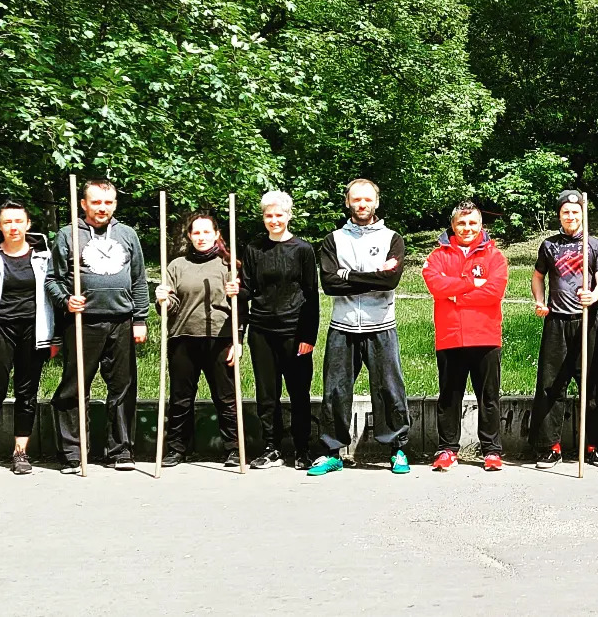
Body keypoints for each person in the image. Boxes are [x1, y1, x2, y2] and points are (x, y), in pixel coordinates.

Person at [308, 179, 411, 476]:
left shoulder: (393, 238)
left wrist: (348, 275)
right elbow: (329, 284)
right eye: (356, 199)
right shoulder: (334, 240)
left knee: (389, 388)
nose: (362, 204)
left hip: (382, 325)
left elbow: (390, 281)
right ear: (347, 203)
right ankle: (332, 452)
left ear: (376, 202)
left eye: (367, 199)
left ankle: (397, 449)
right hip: (343, 326)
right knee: (336, 391)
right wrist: (371, 276)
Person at [46, 179, 150, 472]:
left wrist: (140, 318)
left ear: (115, 204)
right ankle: (73, 452)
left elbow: (139, 279)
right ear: (84, 204)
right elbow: (52, 279)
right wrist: (66, 300)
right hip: (82, 322)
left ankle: (121, 450)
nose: (102, 208)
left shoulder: (127, 234)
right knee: (75, 386)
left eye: (108, 202)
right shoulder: (68, 235)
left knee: (123, 387)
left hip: (122, 320)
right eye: (96, 202)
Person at [529, 190, 598, 469]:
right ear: (559, 215)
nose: (570, 216)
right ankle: (549, 447)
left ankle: (596, 445)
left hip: (587, 319)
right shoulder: (549, 245)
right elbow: (537, 277)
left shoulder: (595, 245)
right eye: (565, 212)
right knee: (550, 384)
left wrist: (595, 294)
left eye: (575, 212)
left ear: (583, 214)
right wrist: (540, 301)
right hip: (557, 321)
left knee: (595, 383)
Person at [155, 209, 248, 467]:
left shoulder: (230, 266)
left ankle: (234, 449)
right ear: (189, 236)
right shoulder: (176, 266)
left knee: (226, 397)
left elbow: (242, 309)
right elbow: (170, 305)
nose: (202, 236)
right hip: (183, 338)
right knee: (180, 398)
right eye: (196, 232)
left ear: (217, 234)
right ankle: (176, 449)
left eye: (207, 232)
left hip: (220, 337)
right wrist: (163, 298)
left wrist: (238, 340)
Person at [0, 200, 56, 477]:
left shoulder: (44, 256)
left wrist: (56, 338)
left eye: (19, 221)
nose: (13, 226)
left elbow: (53, 292)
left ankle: (20, 452)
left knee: (26, 392)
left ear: (28, 224)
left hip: (34, 328)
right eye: (7, 221)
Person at [422, 201, 509, 471]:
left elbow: (494, 292)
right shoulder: (438, 256)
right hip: (451, 336)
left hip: (486, 336)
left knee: (489, 396)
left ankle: (491, 451)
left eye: (472, 223)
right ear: (453, 225)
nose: (467, 228)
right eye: (462, 223)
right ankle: (447, 449)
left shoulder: (495, 257)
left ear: (481, 225)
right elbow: (435, 285)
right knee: (449, 396)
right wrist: (472, 285)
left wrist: (455, 294)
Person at [240, 191, 320, 471]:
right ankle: (271, 447)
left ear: (288, 215)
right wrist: (235, 290)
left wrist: (309, 336)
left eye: (279, 215)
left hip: (294, 330)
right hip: (261, 330)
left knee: (299, 393)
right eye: (268, 216)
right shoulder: (253, 249)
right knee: (267, 394)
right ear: (263, 218)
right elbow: (247, 289)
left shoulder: (303, 250)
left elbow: (312, 296)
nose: (274, 220)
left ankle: (302, 448)